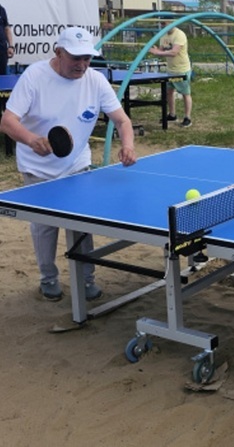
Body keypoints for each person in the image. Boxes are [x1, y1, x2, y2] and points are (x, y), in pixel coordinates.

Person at [0, 27, 138, 302]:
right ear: (58, 52)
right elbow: (7, 121)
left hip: (77, 165)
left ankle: (86, 280)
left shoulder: (95, 81)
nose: (82, 64)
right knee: (44, 228)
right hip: (38, 168)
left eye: (87, 58)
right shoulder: (35, 77)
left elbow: (122, 120)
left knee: (81, 225)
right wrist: (30, 139)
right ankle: (48, 278)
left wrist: (128, 145)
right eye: (76, 58)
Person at [149, 24, 193, 127]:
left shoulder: (179, 35)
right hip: (170, 69)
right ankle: (172, 114)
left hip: (181, 69)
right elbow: (161, 50)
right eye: (162, 24)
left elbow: (174, 52)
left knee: (185, 93)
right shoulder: (163, 35)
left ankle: (187, 117)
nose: (163, 25)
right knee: (169, 92)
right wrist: (156, 50)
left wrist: (157, 53)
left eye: (165, 23)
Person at [0, 0, 13, 74]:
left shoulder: (2, 10)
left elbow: (7, 29)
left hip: (2, 51)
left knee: (2, 78)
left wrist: (11, 46)